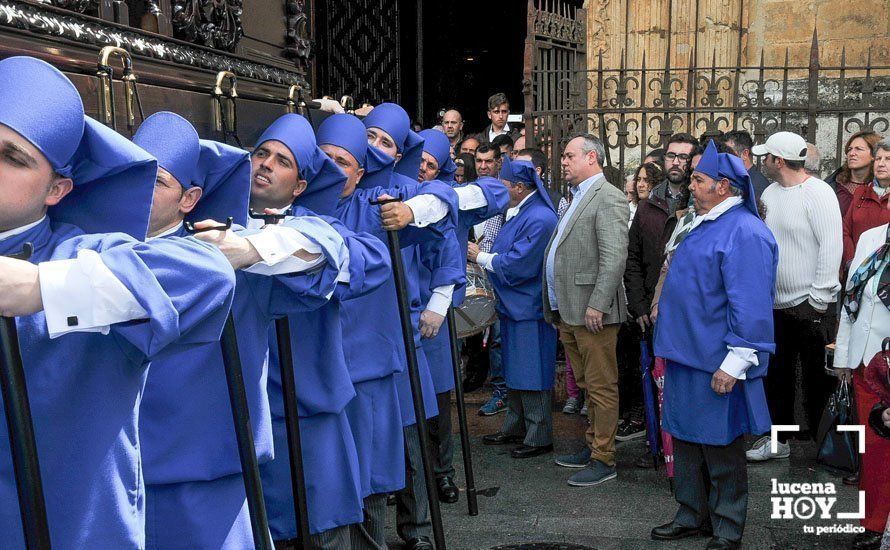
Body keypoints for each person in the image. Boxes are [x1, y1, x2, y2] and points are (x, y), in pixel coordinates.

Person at [0, 56, 237, 548]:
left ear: (57, 189)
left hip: (64, 526)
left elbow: (209, 275)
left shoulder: (82, 253)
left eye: (12, 157)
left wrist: (41, 288)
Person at [132, 111, 357, 549]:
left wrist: (245, 248)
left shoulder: (236, 254)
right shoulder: (94, 248)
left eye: (156, 182)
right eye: (262, 153)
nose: (267, 165)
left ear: (189, 198)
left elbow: (327, 248)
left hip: (205, 472)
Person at [317, 112, 459, 550]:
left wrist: (414, 209)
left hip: (389, 342)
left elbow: (454, 210)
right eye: (370, 135)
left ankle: (414, 529)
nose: (377, 144)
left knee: (398, 446)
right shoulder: (299, 206)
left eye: (384, 140)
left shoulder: (384, 200)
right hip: (323, 360)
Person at [650, 140, 777, 550]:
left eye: (699, 179)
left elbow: (751, 303)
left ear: (723, 186)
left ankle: (727, 526)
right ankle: (691, 513)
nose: (691, 184)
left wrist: (736, 361)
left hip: (717, 360)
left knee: (722, 450)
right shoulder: (702, 221)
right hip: (685, 354)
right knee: (686, 441)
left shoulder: (745, 231)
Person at [417, 128, 509, 499]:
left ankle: (443, 471)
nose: (422, 169)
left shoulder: (451, 199)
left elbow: (495, 193)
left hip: (437, 313)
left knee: (439, 399)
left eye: (430, 164)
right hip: (398, 312)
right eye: (418, 161)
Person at [749, 131, 843, 461]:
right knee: (778, 377)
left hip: (811, 304)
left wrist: (818, 300)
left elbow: (832, 245)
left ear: (778, 161)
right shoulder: (771, 193)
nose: (762, 162)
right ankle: (779, 441)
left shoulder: (818, 192)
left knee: (818, 380)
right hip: (775, 303)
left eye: (766, 157)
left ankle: (826, 447)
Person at [544, 134, 629, 486]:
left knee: (601, 386)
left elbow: (614, 257)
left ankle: (604, 457)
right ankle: (593, 444)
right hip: (571, 310)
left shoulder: (608, 197)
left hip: (593, 312)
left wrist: (598, 302)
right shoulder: (577, 196)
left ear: (592, 157)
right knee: (585, 384)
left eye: (569, 156)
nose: (563, 161)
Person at [472, 158, 559, 458]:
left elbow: (520, 263)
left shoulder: (540, 217)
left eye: (505, 185)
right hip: (517, 305)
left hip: (528, 307)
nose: (501, 190)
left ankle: (538, 435)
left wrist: (481, 256)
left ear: (520, 188)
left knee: (532, 372)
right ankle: (517, 426)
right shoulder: (525, 211)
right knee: (517, 370)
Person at [623, 134, 699, 450]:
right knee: (656, 379)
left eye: (683, 157)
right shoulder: (648, 205)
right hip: (651, 313)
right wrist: (639, 305)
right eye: (671, 156)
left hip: (688, 312)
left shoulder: (700, 202)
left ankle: (687, 444)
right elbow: (633, 259)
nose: (676, 162)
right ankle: (658, 444)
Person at [834, 222, 890, 550]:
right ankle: (872, 522)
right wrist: (843, 354)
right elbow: (851, 302)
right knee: (872, 450)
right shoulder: (871, 237)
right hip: (864, 363)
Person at [842, 138, 890, 268]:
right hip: (857, 271)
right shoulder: (861, 192)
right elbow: (845, 231)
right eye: (878, 158)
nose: (881, 164)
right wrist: (852, 261)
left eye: (888, 159)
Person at [826, 130, 881, 216]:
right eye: (849, 149)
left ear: (874, 155)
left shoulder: (882, 187)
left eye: (858, 149)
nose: (851, 153)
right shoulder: (832, 185)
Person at [719, 130, 771, 199]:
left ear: (745, 154)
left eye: (728, 153)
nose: (724, 158)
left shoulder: (756, 187)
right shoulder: (742, 180)